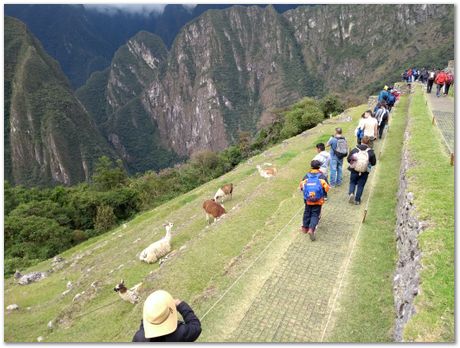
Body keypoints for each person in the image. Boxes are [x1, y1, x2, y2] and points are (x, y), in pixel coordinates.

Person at [133, 290, 202, 342]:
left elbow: (144, 326)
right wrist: (180, 305)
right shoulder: (180, 333)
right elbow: (196, 326)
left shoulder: (139, 338)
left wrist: (151, 314)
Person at [299, 160, 330, 241]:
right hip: (318, 200)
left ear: (311, 166)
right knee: (315, 214)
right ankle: (311, 229)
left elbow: (301, 187)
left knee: (307, 212)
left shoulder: (306, 176)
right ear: (319, 167)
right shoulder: (322, 176)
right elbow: (327, 188)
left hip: (307, 199)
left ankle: (305, 228)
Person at [347, 136, 377, 205]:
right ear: (369, 142)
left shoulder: (355, 150)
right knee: (361, 185)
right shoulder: (371, 152)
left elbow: (348, 160)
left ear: (361, 141)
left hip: (354, 170)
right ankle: (357, 200)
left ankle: (351, 193)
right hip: (365, 171)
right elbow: (374, 163)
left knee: (352, 182)